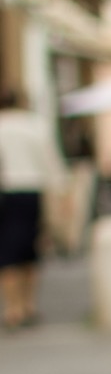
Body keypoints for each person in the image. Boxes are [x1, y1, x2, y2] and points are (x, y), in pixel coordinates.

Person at [0, 86, 65, 329]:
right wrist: (61, 195)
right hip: (32, 190)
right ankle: (28, 305)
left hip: (5, 192)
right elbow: (51, 163)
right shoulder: (35, 125)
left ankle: (12, 309)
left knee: (6, 251)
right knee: (30, 250)